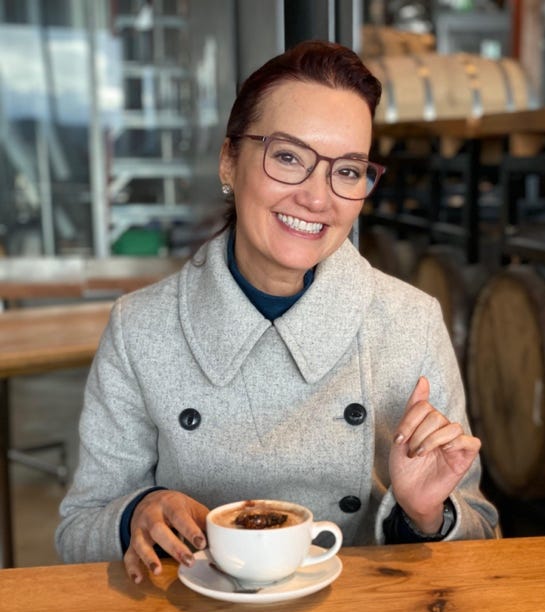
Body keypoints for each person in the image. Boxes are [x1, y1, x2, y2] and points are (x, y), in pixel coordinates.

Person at [56, 41, 498, 583]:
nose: (318, 198)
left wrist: (425, 514)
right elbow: (76, 531)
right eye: (288, 157)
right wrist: (133, 517)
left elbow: (483, 531)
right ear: (229, 160)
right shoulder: (140, 328)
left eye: (349, 170)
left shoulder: (409, 321)